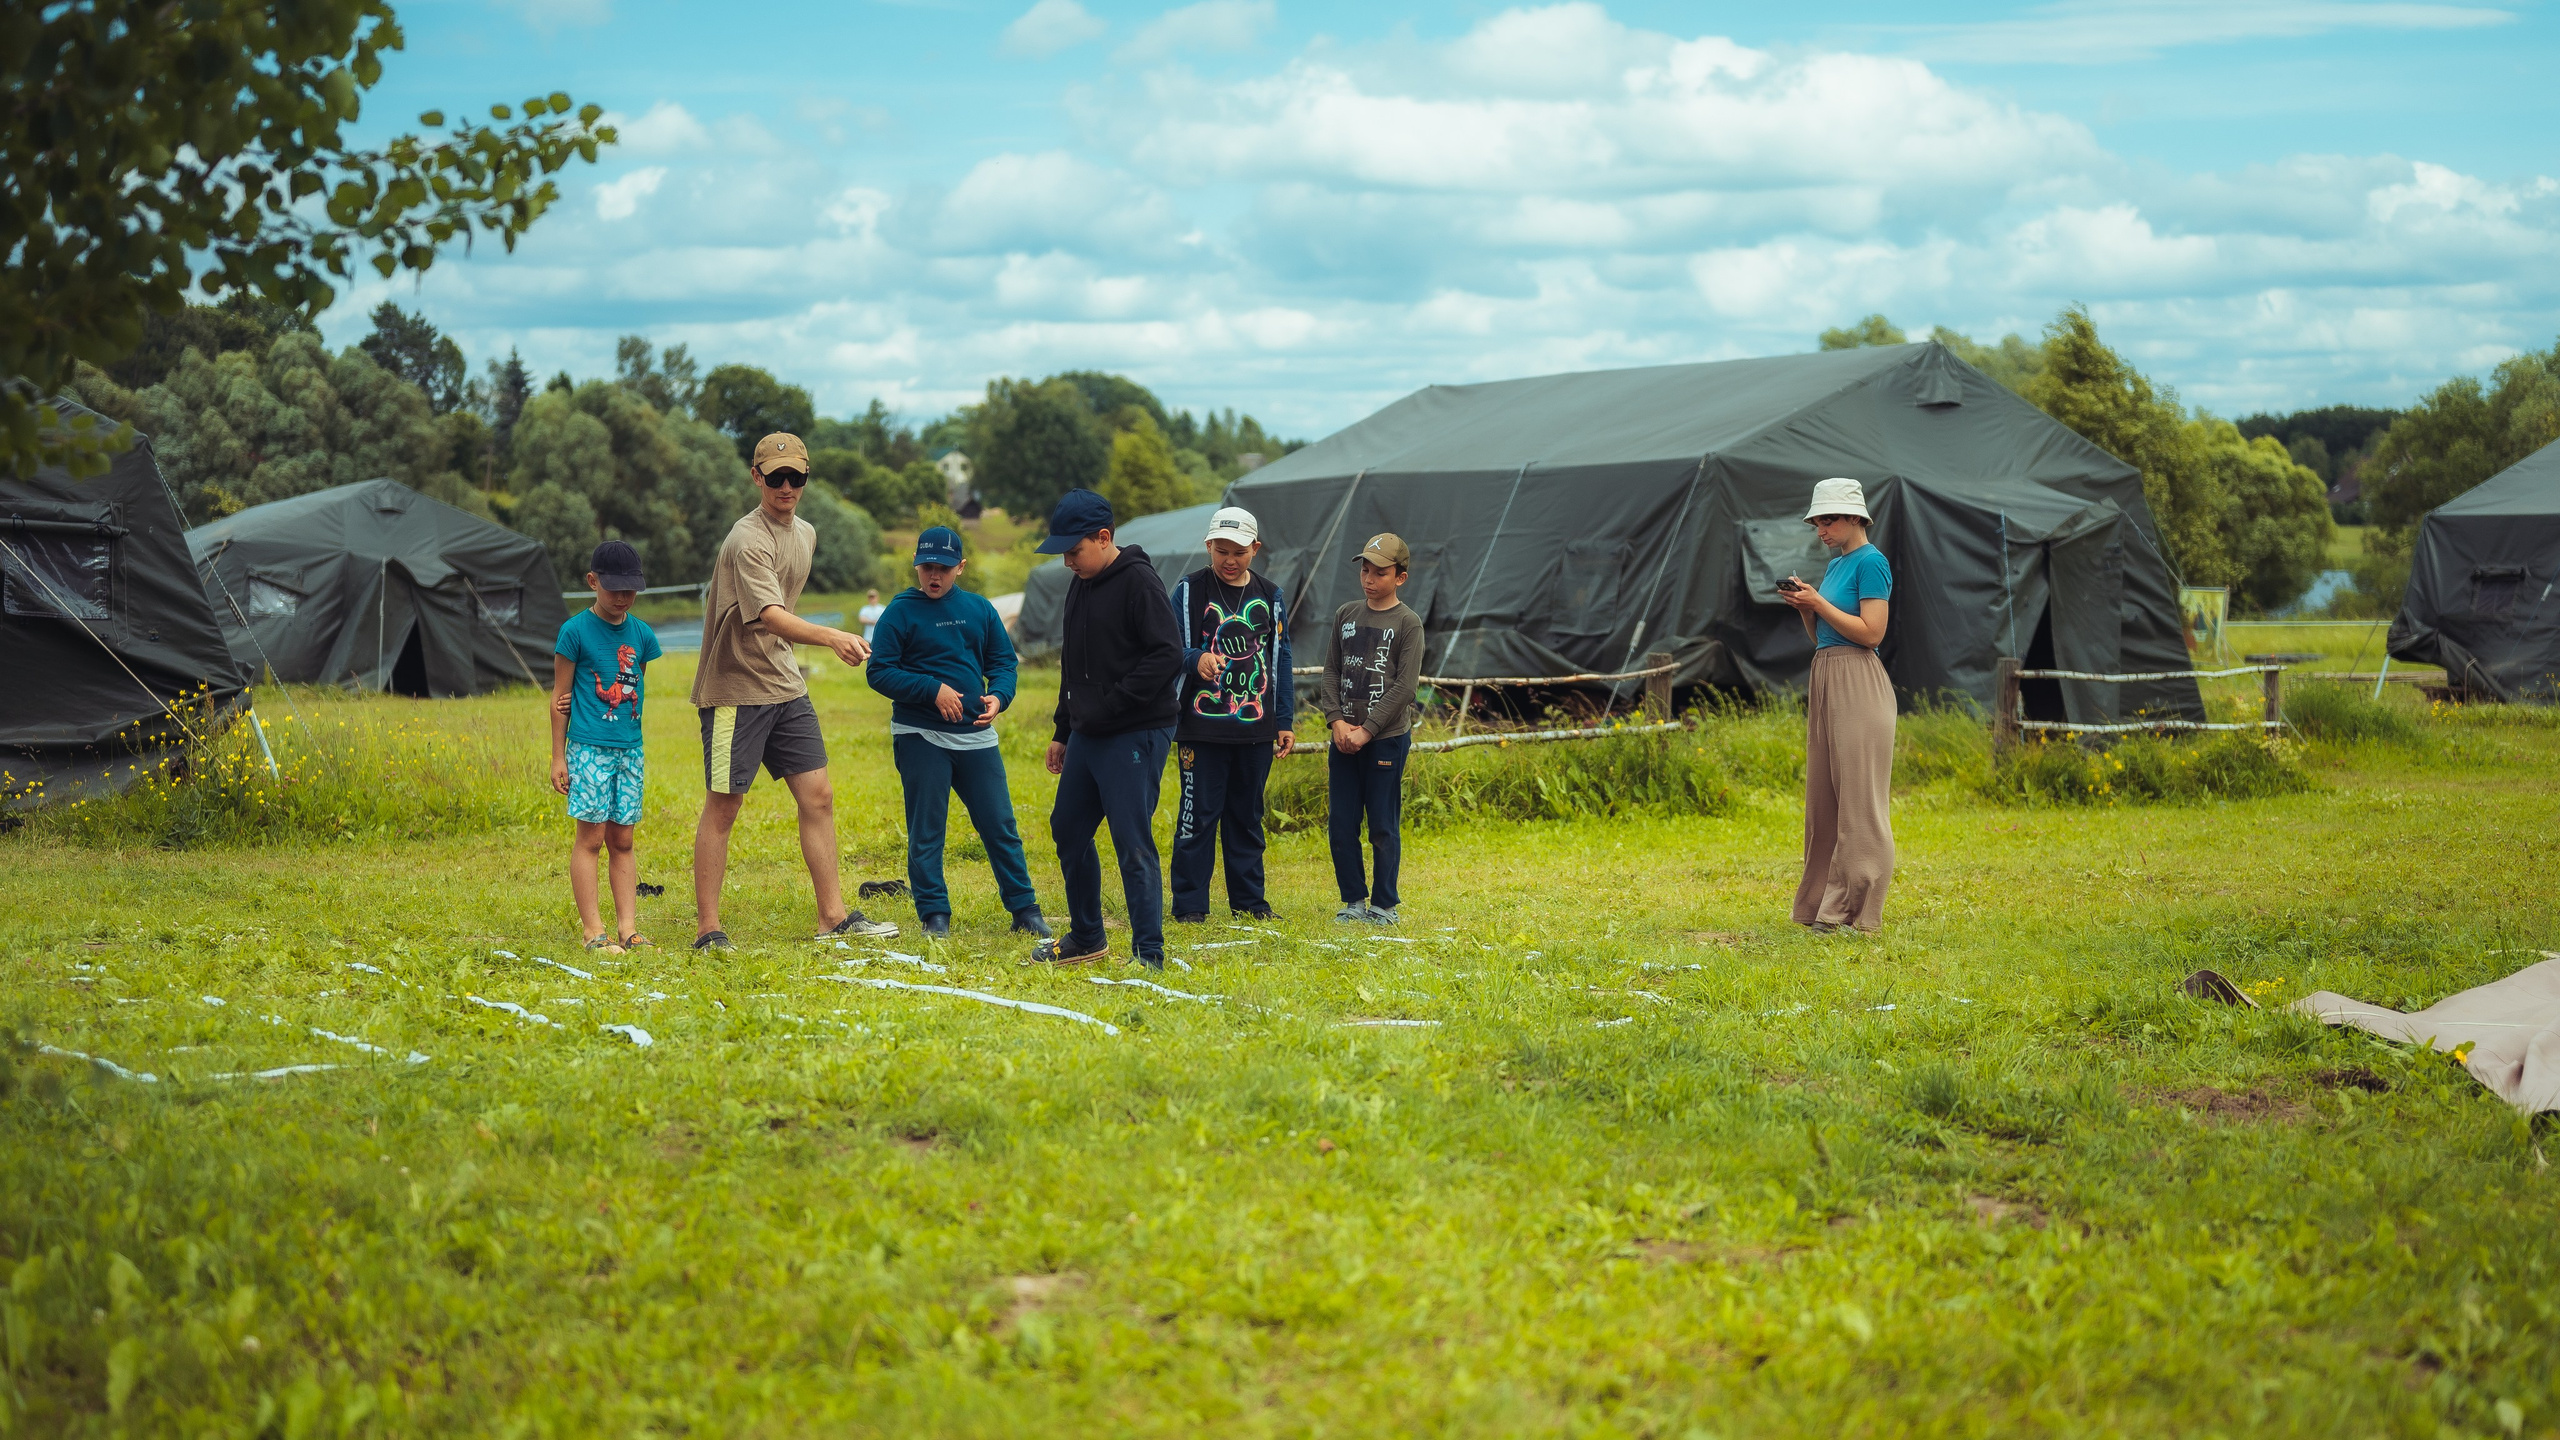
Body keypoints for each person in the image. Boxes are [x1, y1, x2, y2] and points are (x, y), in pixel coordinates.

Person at [688, 432, 898, 950]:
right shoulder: (746, 539)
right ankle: (708, 930)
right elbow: (769, 614)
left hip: (783, 681)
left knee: (818, 795)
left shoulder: (805, 533)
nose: (787, 486)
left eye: (796, 477)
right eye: (776, 477)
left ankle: (833, 917)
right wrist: (830, 636)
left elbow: (779, 617)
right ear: (757, 477)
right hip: (736, 687)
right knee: (725, 804)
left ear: (806, 478)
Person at [864, 526, 1051, 942]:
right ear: (916, 565)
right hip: (921, 735)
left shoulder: (980, 610)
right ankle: (934, 915)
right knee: (927, 830)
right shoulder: (899, 611)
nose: (935, 576)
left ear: (960, 567)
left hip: (977, 737)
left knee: (1000, 826)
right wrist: (932, 690)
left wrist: (1000, 697)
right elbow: (878, 671)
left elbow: (1004, 663)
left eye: (944, 568)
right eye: (927, 567)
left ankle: (1025, 910)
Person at [1031, 488, 1184, 969]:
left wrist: (1113, 706)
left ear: (1103, 538)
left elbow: (1167, 655)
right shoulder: (1080, 583)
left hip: (1136, 731)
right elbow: (1073, 664)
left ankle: (1149, 954)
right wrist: (1064, 728)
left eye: (1073, 552)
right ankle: (1086, 937)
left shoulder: (1139, 582)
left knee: (1130, 837)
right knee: (1068, 829)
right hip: (1088, 733)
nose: (1067, 563)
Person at [1778, 476, 1895, 934]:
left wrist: (1820, 604)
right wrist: (1808, 608)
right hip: (1826, 674)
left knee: (1859, 802)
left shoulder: (1872, 562)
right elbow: (1823, 637)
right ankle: (1822, 909)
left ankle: (1858, 915)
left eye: (1827, 520)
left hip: (1859, 681)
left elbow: (1871, 633)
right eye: (1816, 522)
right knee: (1823, 802)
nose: (1821, 529)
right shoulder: (1836, 565)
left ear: (1854, 517)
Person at [1167, 506, 1295, 923]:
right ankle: (1189, 907)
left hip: (1255, 730)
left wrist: (1284, 719)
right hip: (1200, 730)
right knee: (1196, 819)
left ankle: (1250, 903)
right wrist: (1195, 659)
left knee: (1247, 818)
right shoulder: (1188, 591)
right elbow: (1163, 647)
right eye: (1221, 550)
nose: (1229, 559)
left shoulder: (1270, 596)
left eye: (1239, 552)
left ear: (1255, 549)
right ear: (1208, 546)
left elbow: (1281, 659)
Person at [549, 540, 663, 955]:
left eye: (630, 589)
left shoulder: (643, 635)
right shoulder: (574, 632)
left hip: (629, 750)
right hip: (588, 750)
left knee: (624, 840)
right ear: (592, 581)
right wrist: (558, 756)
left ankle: (628, 929)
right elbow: (560, 697)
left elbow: (636, 684)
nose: (622, 598)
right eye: (613, 588)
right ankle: (592, 931)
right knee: (591, 839)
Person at [1318, 533, 1424, 924]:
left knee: (1381, 822)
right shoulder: (1346, 614)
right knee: (1342, 823)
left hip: (1386, 739)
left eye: (1379, 572)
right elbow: (1331, 670)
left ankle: (1384, 905)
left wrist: (1368, 730)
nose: (1369, 578)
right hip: (1343, 736)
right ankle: (1353, 902)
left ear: (1400, 577)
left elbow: (1405, 687)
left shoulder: (1407, 623)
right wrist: (1337, 721)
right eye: (1365, 570)